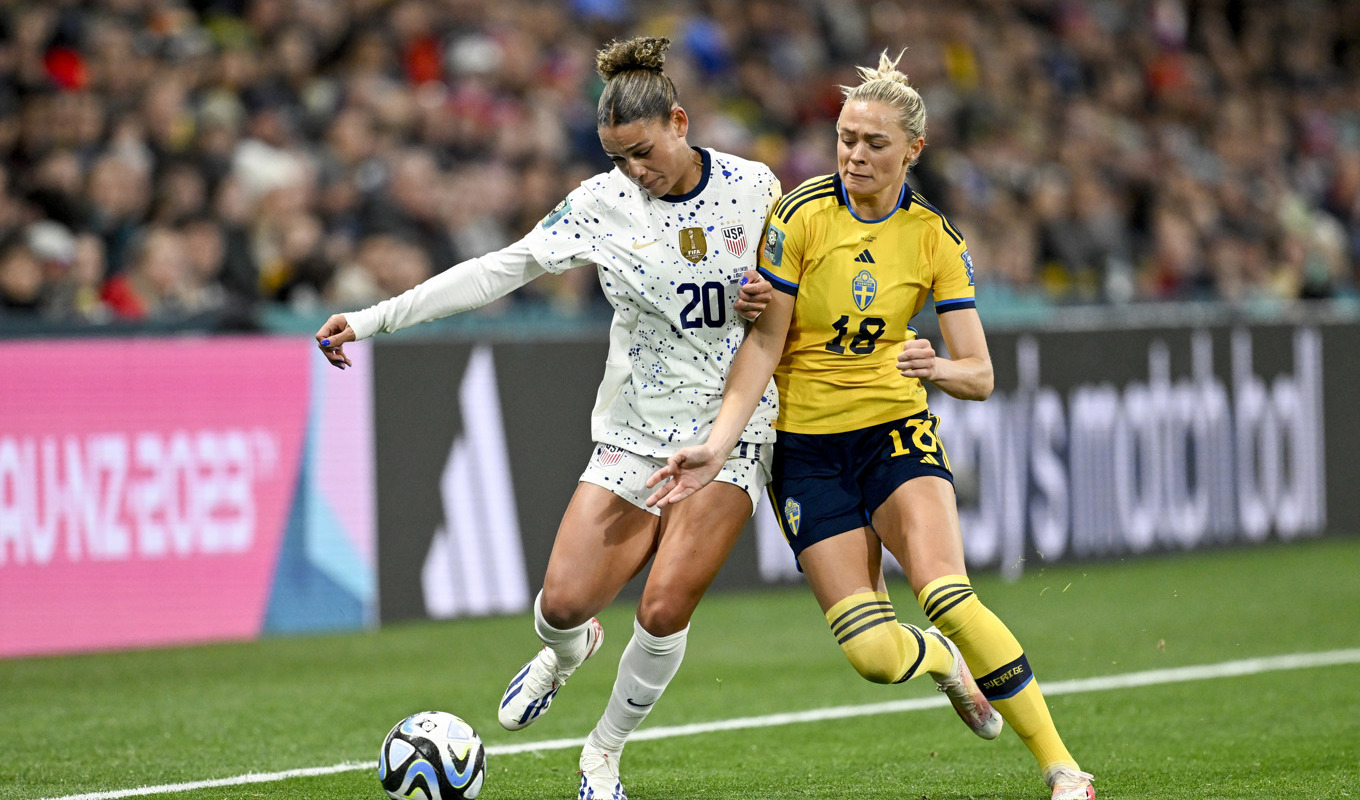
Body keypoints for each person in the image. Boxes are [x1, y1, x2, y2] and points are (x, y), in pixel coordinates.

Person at [315, 36, 780, 799]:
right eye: (618, 156)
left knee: (664, 606)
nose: (635, 169)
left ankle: (603, 756)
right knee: (561, 606)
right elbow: (498, 270)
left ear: (680, 122)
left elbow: (796, 283)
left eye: (642, 151)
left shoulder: (754, 186)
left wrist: (768, 294)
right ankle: (566, 655)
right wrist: (373, 320)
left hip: (731, 427)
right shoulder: (600, 204)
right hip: (633, 429)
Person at [645, 51, 1095, 800]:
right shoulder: (799, 217)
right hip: (806, 454)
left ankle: (1062, 768)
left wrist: (932, 367)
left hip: (894, 435)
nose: (854, 154)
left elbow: (979, 374)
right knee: (876, 659)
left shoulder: (935, 240)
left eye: (874, 143)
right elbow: (764, 342)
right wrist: (719, 444)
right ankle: (947, 664)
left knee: (947, 593)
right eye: (846, 137)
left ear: (913, 150)